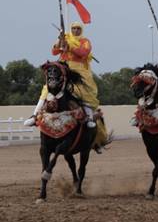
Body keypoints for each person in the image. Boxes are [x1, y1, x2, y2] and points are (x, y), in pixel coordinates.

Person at [25, 22, 109, 152]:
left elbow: (83, 52)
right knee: (47, 89)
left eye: (78, 28)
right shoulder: (66, 37)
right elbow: (54, 51)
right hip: (63, 67)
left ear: (81, 30)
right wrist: (60, 40)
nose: (75, 30)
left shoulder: (85, 41)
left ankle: (89, 118)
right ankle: (35, 115)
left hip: (79, 71)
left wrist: (69, 46)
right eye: (73, 28)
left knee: (84, 93)